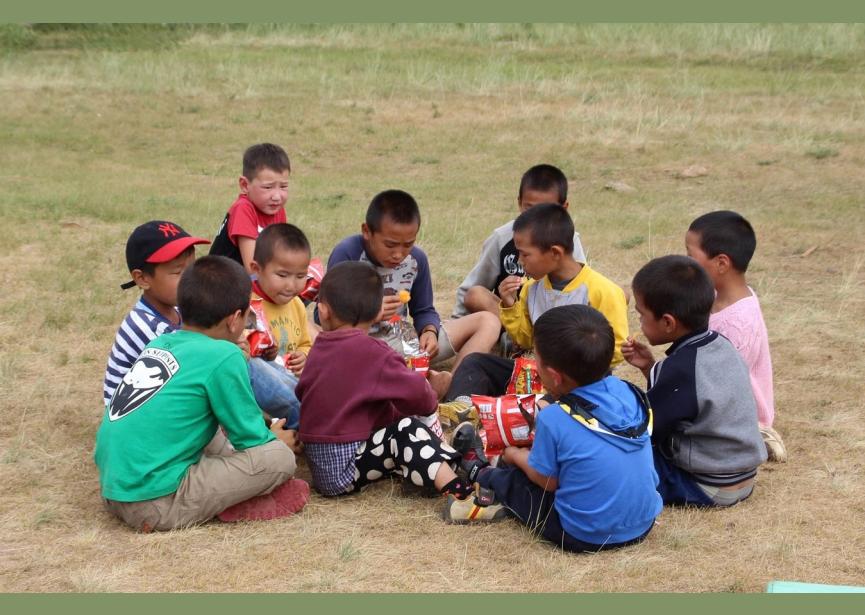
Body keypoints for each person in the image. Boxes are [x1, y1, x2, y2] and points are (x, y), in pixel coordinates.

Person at [95, 256, 309, 531]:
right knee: (279, 459)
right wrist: (275, 440)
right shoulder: (224, 355)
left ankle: (226, 495)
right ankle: (234, 503)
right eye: (247, 316)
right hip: (155, 502)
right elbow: (251, 438)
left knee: (212, 433)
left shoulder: (163, 341)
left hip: (114, 488)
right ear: (234, 320)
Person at [443, 305, 662, 554]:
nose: (533, 365)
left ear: (555, 376)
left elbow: (547, 481)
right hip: (642, 524)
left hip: (582, 534)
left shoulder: (554, 418)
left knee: (516, 482)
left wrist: (514, 456)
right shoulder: (627, 392)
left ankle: (478, 471)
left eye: (536, 358)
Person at [296, 262, 476, 500]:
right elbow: (418, 394)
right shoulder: (373, 352)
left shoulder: (318, 347)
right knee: (407, 430)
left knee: (397, 425)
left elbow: (302, 392)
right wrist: (430, 400)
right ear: (376, 313)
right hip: (344, 470)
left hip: (320, 464)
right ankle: (457, 489)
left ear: (324, 311)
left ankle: (440, 459)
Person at [440, 204, 628, 419]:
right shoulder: (532, 287)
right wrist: (509, 305)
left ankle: (527, 414)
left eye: (524, 254)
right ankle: (461, 412)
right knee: (475, 362)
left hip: (579, 383)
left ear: (555, 252)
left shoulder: (603, 291)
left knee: (548, 407)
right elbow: (526, 338)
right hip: (538, 375)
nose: (519, 261)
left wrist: (569, 366)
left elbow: (617, 349)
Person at [621, 255, 767, 507]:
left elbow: (647, 428)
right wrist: (649, 367)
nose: (640, 323)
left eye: (642, 315)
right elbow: (690, 399)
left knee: (621, 460)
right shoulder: (721, 345)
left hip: (707, 485)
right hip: (743, 476)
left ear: (668, 322)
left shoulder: (681, 369)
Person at [326, 189, 500, 375]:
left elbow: (424, 310)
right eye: (390, 245)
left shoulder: (416, 260)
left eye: (408, 244)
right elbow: (326, 317)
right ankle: (418, 381)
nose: (399, 254)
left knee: (488, 321)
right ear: (367, 231)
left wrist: (429, 331)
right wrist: (369, 312)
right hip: (361, 346)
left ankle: (456, 386)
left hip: (403, 341)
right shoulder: (347, 254)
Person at [686, 211, 786, 462]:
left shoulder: (736, 323)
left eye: (691, 256)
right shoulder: (726, 297)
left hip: (736, 418)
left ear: (721, 263)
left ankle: (757, 436)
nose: (686, 264)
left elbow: (725, 391)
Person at [452, 164, 587, 318]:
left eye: (546, 210)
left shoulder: (569, 240)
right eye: (530, 209)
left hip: (554, 319)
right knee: (476, 294)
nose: (536, 218)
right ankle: (514, 338)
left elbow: (583, 286)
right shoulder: (502, 237)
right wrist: (456, 325)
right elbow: (472, 286)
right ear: (519, 202)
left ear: (564, 208)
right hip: (513, 315)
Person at [103, 220, 210, 405]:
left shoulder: (178, 308)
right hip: (136, 418)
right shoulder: (148, 328)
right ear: (142, 278)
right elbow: (194, 374)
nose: (191, 279)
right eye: (178, 272)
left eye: (192, 268)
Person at [244, 224, 314, 432]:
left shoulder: (296, 304)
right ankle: (306, 423)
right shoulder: (246, 303)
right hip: (264, 391)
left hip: (293, 380)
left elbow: (305, 344)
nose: (292, 285)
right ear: (256, 269)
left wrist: (303, 356)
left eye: (300, 276)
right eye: (282, 275)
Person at [209, 143, 291, 274]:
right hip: (219, 284)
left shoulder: (276, 208)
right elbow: (252, 269)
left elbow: (279, 253)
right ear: (245, 185)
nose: (277, 196)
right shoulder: (243, 208)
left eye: (283, 186)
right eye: (268, 187)